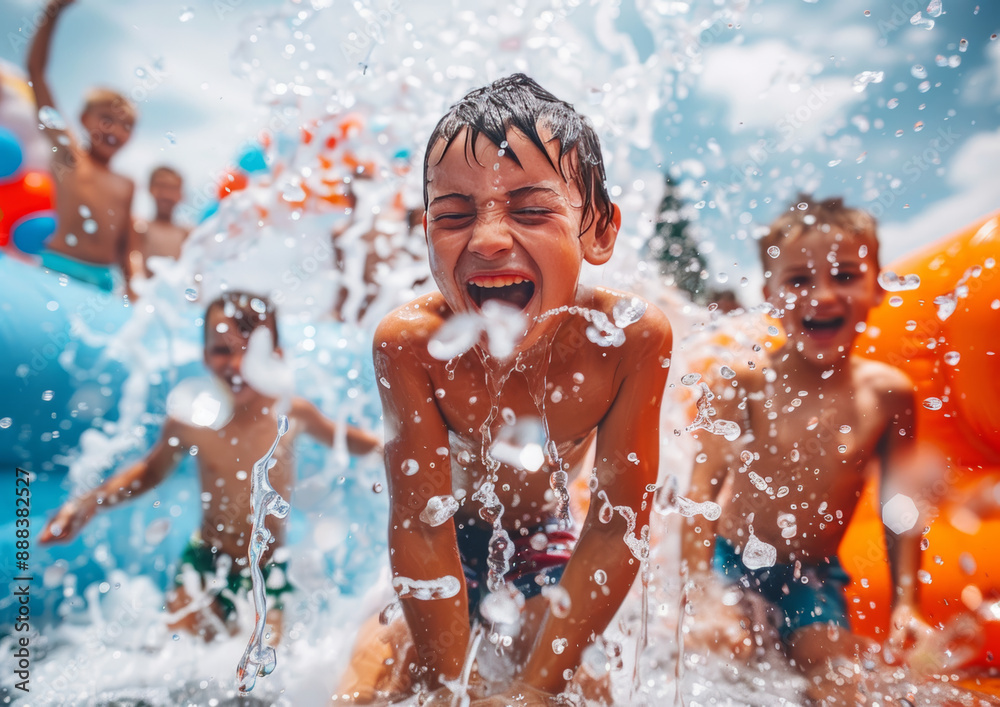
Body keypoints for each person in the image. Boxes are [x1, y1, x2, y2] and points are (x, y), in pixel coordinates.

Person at [336, 74, 673, 704]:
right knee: (369, 686)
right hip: (445, 544)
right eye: (455, 215)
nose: (488, 239)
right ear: (427, 234)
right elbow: (420, 525)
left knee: (586, 689)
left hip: (547, 538)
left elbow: (614, 527)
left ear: (596, 230)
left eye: (531, 210)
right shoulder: (411, 345)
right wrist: (445, 692)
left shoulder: (629, 340)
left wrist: (537, 692)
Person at [680, 195, 936, 705]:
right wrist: (701, 597)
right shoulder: (745, 380)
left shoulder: (889, 394)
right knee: (723, 649)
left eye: (845, 275)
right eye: (798, 280)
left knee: (840, 684)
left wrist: (907, 604)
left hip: (811, 572)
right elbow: (699, 495)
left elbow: (900, 506)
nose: (821, 296)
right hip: (731, 562)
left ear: (878, 286)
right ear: (771, 295)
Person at [40, 291, 382, 642]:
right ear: (205, 356)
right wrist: (89, 504)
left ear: (276, 357)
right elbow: (150, 472)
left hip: (266, 570)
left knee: (263, 677)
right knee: (176, 663)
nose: (236, 364)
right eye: (223, 350)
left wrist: (395, 450)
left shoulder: (294, 413)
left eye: (252, 352)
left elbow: (352, 441)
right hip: (205, 559)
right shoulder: (192, 420)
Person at [27, 0, 138, 293]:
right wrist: (53, 12)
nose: (115, 130)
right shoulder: (69, 155)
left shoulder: (126, 184)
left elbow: (127, 246)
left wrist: (134, 286)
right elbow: (36, 72)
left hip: (102, 280)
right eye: (107, 119)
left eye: (126, 125)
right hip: (58, 267)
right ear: (83, 119)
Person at [131, 165, 190, 278]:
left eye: (173, 188)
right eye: (162, 186)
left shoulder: (187, 234)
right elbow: (133, 266)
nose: (166, 194)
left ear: (181, 195)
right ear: (150, 188)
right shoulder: (139, 228)